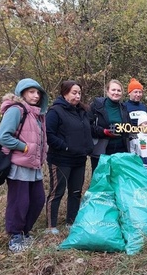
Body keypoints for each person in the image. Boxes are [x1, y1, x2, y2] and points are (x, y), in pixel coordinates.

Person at [0, 78, 49, 253]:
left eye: (38, 92)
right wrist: (24, 147)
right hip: (19, 164)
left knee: (38, 199)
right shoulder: (16, 110)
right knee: (19, 202)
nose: (35, 95)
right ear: (22, 93)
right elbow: (3, 136)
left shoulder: (37, 114)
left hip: (34, 165)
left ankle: (25, 232)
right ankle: (15, 236)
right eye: (31, 92)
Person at [45, 80, 93, 235]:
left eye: (79, 93)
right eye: (74, 92)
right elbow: (49, 134)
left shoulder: (82, 111)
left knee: (75, 192)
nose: (77, 96)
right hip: (60, 159)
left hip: (79, 159)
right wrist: (65, 146)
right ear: (64, 93)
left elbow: (87, 131)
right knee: (57, 192)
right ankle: (51, 226)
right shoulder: (55, 111)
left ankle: (71, 223)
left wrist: (88, 148)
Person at [89, 79, 131, 173]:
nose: (116, 93)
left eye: (119, 90)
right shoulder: (96, 106)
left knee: (118, 180)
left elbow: (129, 126)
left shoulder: (124, 108)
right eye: (113, 90)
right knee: (101, 181)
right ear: (107, 91)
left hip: (121, 151)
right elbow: (88, 127)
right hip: (102, 151)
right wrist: (103, 131)